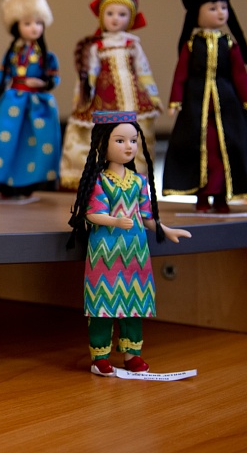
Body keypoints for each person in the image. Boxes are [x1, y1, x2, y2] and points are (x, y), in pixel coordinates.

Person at [67, 111, 191, 377]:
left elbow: (146, 216)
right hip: (105, 251)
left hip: (135, 251)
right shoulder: (98, 181)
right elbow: (91, 214)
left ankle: (132, 355)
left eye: (133, 140)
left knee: (134, 304)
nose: (129, 147)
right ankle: (100, 357)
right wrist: (114, 221)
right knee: (102, 306)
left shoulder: (138, 181)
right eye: (120, 140)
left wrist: (165, 230)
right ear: (103, 144)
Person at [163, 0, 247, 213]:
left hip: (228, 108)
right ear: (197, 12)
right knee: (201, 152)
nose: (220, 13)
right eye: (213, 8)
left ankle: (220, 197)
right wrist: (176, 101)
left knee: (225, 151)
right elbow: (180, 75)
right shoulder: (191, 45)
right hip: (196, 108)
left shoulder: (228, 44)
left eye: (223, 7)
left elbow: (240, 75)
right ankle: (201, 196)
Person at [59, 0, 160, 190]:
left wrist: (153, 96)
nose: (115, 19)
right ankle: (97, 179)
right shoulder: (97, 46)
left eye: (122, 14)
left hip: (133, 99)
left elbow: (143, 71)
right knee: (98, 135)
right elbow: (89, 75)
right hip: (104, 98)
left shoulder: (133, 45)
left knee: (135, 135)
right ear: (101, 16)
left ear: (130, 18)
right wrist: (81, 98)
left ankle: (134, 179)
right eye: (110, 13)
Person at [0, 0, 60, 200]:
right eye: (28, 23)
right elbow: (2, 74)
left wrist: (42, 84)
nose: (34, 28)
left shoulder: (46, 55)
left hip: (37, 104)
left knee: (34, 144)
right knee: (6, 141)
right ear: (16, 26)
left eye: (38, 23)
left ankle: (28, 184)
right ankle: (5, 183)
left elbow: (54, 77)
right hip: (12, 102)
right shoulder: (12, 53)